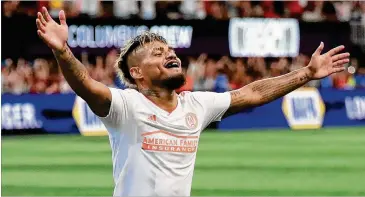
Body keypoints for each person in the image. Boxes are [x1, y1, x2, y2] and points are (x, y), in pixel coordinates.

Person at [36, 7, 350, 197]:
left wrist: (306, 73)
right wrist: (63, 52)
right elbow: (86, 85)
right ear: (137, 73)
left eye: (169, 50)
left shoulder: (195, 105)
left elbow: (251, 94)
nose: (169, 54)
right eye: (157, 54)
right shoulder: (126, 107)